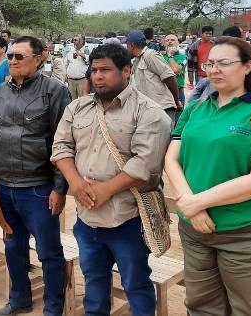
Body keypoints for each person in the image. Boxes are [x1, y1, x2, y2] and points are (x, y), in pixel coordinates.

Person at [165, 36, 251, 315]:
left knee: (249, 309)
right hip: (196, 229)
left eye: (224, 63)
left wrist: (197, 202)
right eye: (210, 64)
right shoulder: (196, 108)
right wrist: (192, 206)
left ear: (247, 66)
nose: (214, 70)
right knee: (201, 306)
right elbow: (171, 159)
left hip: (249, 234)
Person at [52, 43, 171, 316]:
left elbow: (146, 164)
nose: (97, 76)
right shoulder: (77, 108)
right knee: (93, 281)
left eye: (105, 70)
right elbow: (61, 147)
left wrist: (106, 189)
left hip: (128, 219)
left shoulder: (149, 112)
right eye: (94, 70)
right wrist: (75, 183)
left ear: (126, 71)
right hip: (87, 217)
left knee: (136, 284)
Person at [0, 36, 72, 315]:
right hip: (5, 186)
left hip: (39, 188)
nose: (12, 61)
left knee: (49, 252)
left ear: (39, 58)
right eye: (10, 56)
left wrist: (59, 188)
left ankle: (53, 308)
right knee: (13, 246)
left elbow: (63, 143)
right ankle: (19, 299)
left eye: (19, 56)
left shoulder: (55, 91)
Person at [125, 30, 182, 122]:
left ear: (131, 45)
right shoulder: (137, 60)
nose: (126, 49)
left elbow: (169, 77)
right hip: (149, 110)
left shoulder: (150, 55)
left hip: (162, 108)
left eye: (127, 45)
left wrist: (176, 101)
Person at [162, 34, 187, 106]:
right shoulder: (160, 57)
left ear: (178, 43)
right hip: (163, 91)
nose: (169, 42)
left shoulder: (183, 57)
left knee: (178, 113)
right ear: (164, 43)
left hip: (178, 91)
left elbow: (175, 70)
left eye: (172, 40)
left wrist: (170, 55)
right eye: (167, 40)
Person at [186, 26, 214, 90]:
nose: (208, 35)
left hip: (212, 75)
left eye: (210, 34)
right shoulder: (194, 46)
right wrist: (191, 81)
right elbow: (190, 63)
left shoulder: (214, 45)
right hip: (199, 75)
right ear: (202, 34)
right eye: (206, 33)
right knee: (200, 94)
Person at [65, 34, 90, 100]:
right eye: (73, 40)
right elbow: (66, 64)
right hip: (71, 81)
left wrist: (82, 55)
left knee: (83, 100)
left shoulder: (87, 50)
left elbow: (90, 61)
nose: (73, 41)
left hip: (82, 80)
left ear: (81, 41)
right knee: (71, 100)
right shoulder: (71, 51)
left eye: (75, 40)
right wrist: (65, 75)